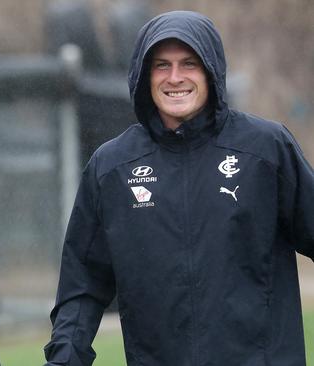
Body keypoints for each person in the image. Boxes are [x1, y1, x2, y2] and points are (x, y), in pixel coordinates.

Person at [44, 10, 313, 365]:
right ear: (143, 74)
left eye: (189, 63)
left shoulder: (265, 149)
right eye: (161, 65)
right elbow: (81, 291)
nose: (175, 78)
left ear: (211, 71)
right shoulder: (112, 167)